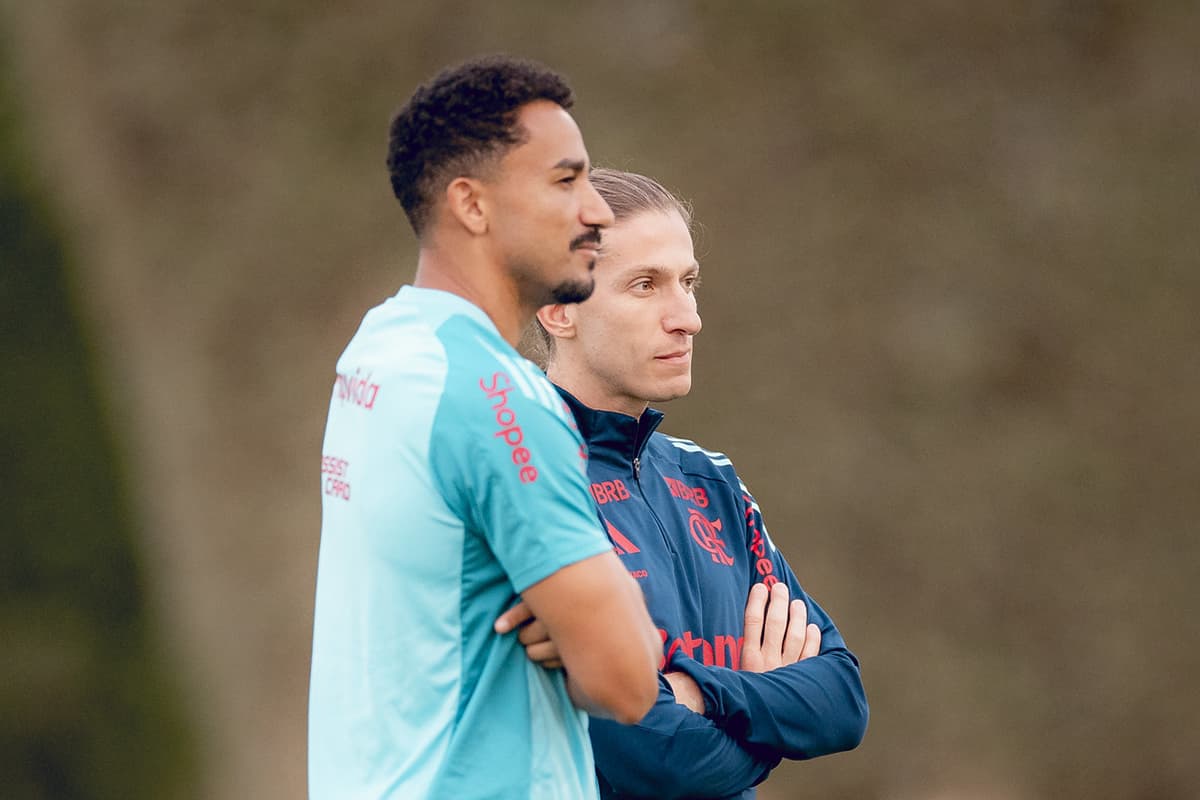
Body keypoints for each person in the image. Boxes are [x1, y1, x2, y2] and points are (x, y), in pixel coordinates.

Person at [308, 59, 661, 800]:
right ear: (471, 205)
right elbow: (627, 681)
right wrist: (606, 621)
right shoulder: (501, 397)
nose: (597, 210)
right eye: (566, 181)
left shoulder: (382, 351)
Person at [504, 168, 869, 799]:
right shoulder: (520, 485)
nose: (689, 318)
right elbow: (658, 758)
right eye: (645, 285)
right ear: (557, 307)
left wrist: (691, 691)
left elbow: (842, 699)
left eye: (689, 282)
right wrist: (770, 717)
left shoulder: (712, 480)